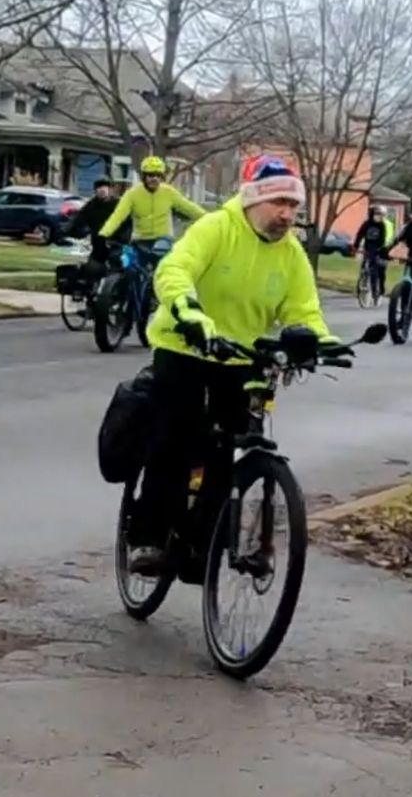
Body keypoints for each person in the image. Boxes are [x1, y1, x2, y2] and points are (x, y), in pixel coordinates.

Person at [129, 154, 340, 574]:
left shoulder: (291, 252)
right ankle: (148, 538)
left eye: (293, 206)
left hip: (242, 358)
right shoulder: (215, 229)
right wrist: (188, 313)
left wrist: (322, 341)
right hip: (185, 346)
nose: (287, 214)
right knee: (175, 439)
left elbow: (303, 309)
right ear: (251, 201)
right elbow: (175, 270)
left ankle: (200, 548)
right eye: (278, 203)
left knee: (225, 450)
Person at [99, 156, 207, 257]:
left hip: (163, 240)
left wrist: (213, 218)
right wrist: (103, 234)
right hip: (140, 240)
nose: (154, 179)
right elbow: (117, 216)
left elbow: (189, 208)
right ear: (143, 177)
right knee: (130, 267)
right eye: (150, 175)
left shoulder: (168, 192)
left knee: (162, 260)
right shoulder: (132, 194)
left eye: (158, 175)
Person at [68, 177, 127, 283]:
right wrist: (66, 230)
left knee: (117, 270)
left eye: (105, 186)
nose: (102, 189)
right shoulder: (91, 205)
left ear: (110, 189)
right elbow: (79, 219)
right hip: (98, 245)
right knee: (91, 270)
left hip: (117, 244)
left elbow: (128, 222)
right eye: (99, 187)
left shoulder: (119, 204)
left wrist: (124, 237)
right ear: (95, 190)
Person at [354, 205, 392, 298]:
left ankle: (375, 291)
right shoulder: (367, 224)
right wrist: (356, 245)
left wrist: (381, 249)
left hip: (378, 248)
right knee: (364, 267)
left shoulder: (382, 225)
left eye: (380, 215)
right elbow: (360, 234)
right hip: (368, 247)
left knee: (375, 269)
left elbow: (382, 238)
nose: (378, 217)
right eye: (377, 215)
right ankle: (360, 287)